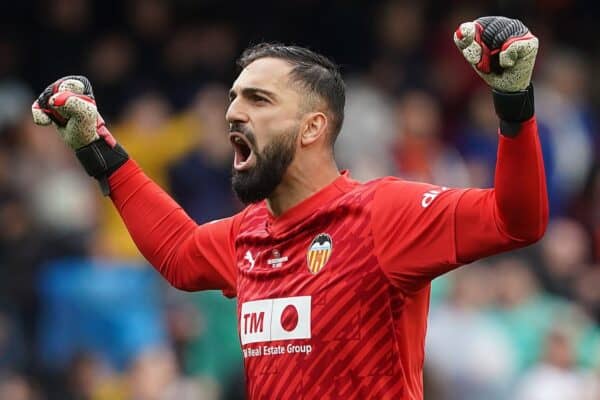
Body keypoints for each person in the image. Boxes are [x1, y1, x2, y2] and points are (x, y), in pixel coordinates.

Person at [31, 16, 548, 400]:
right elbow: (180, 253)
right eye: (234, 97)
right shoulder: (247, 235)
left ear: (312, 128)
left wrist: (513, 103)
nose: (233, 112)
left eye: (258, 99)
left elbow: (516, 221)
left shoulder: (384, 213)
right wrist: (98, 150)